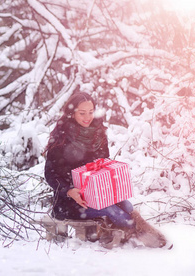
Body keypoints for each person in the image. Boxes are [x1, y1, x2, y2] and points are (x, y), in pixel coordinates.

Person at [44, 91, 167, 248]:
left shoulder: (97, 133)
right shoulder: (61, 139)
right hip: (71, 201)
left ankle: (137, 233)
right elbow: (50, 174)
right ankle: (151, 237)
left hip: (99, 192)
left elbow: (103, 162)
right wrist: (69, 191)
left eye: (90, 112)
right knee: (113, 211)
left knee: (127, 206)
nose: (87, 117)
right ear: (71, 113)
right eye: (82, 113)